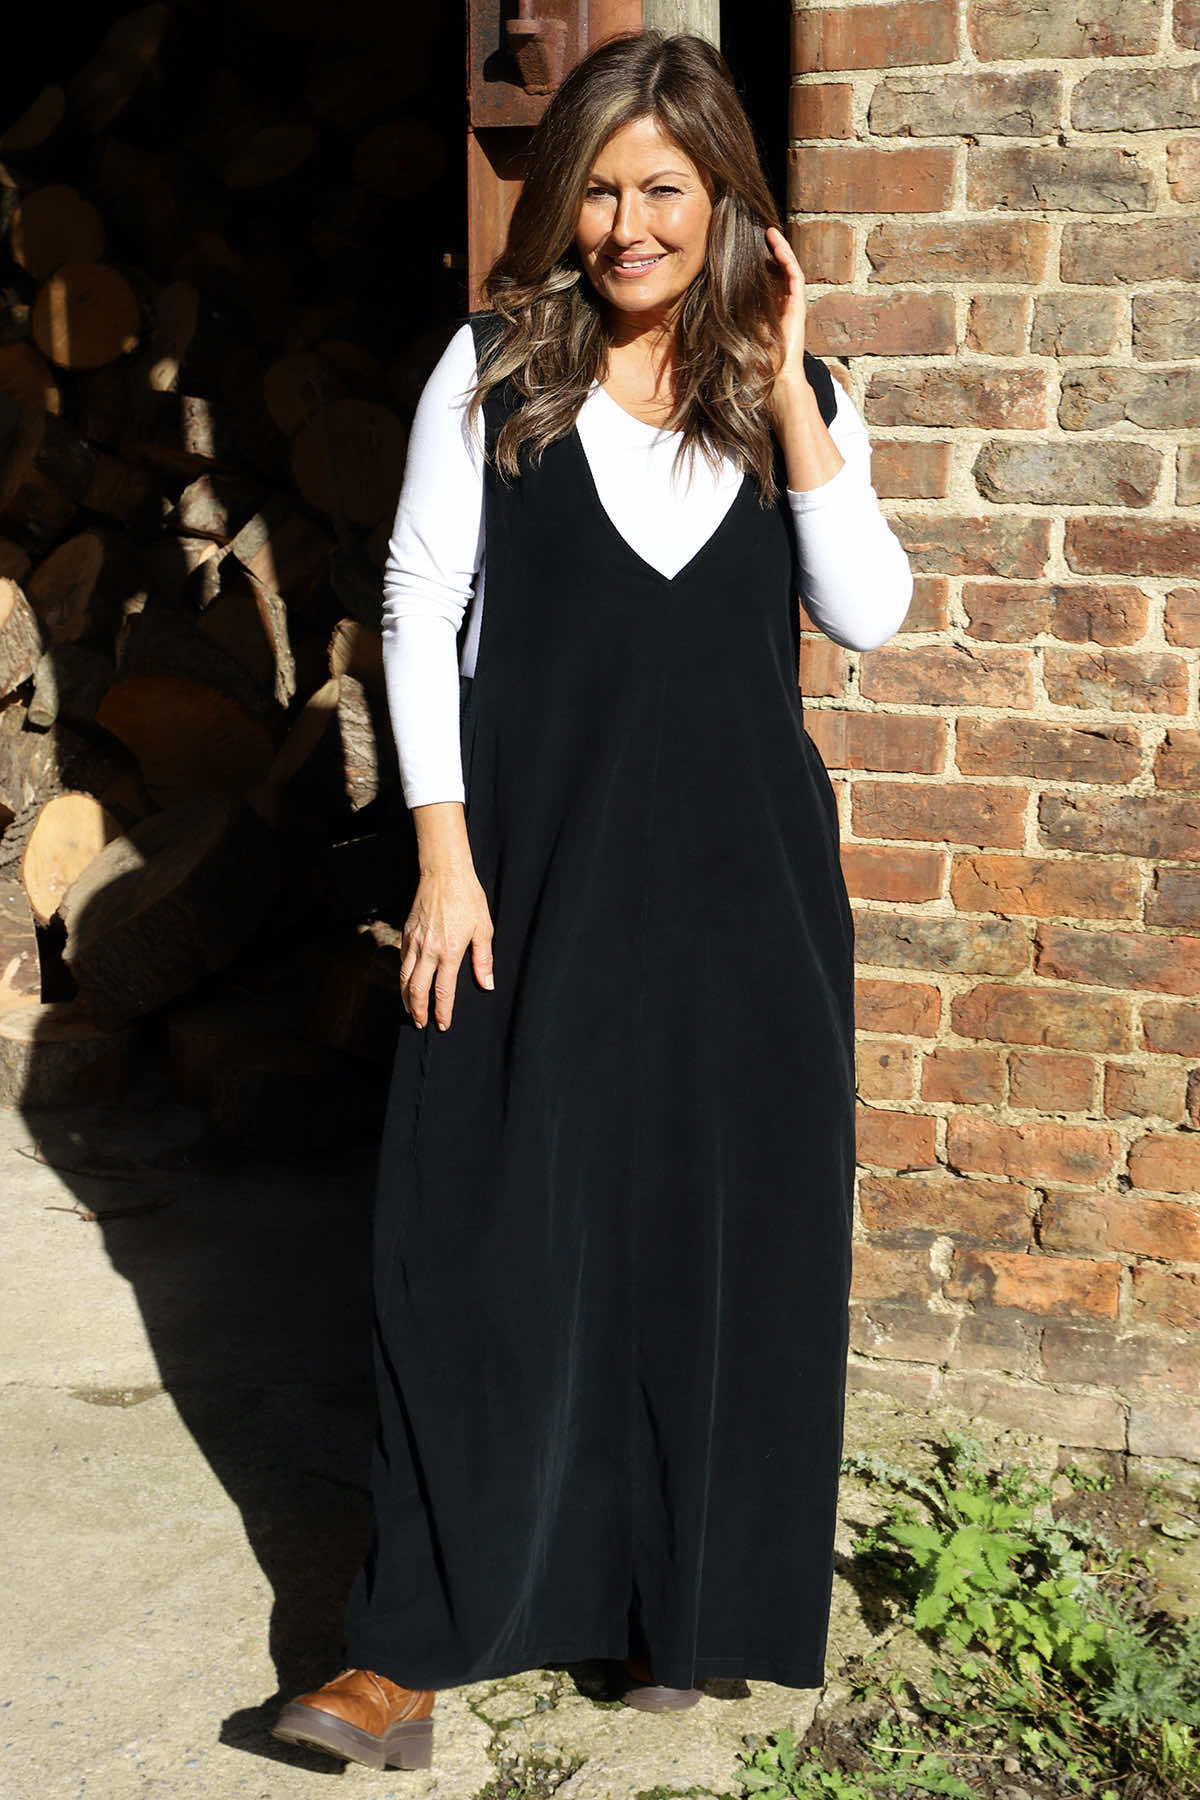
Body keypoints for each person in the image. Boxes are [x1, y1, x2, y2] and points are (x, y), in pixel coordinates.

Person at [272, 29, 913, 1775]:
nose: (629, 226)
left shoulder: (794, 390)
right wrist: (443, 854)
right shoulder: (493, 371)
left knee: (710, 1246)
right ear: (565, 202)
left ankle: (670, 1610)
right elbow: (419, 600)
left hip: (744, 899)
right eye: (603, 191)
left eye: (665, 191)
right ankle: (403, 1654)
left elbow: (868, 612)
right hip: (531, 874)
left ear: (726, 204)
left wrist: (789, 386)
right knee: (474, 1240)